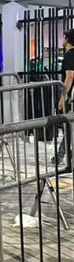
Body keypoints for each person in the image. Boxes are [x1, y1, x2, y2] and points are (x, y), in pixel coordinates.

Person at [56, 29, 74, 164]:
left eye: (64, 37)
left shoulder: (69, 55)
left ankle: (61, 154)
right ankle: (60, 154)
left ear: (68, 40)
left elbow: (69, 76)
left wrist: (63, 97)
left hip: (71, 96)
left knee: (69, 124)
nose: (62, 40)